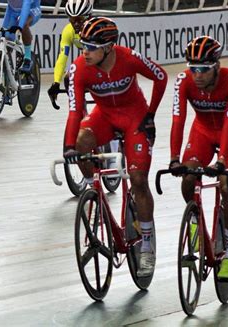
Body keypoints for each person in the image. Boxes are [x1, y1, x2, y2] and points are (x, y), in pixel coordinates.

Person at [63, 16, 168, 277]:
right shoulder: (79, 68)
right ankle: (94, 193)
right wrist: (68, 148)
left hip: (134, 117)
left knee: (138, 179)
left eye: (90, 47)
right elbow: (75, 111)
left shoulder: (129, 57)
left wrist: (151, 115)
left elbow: (161, 77)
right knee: (81, 143)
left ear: (108, 47)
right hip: (105, 115)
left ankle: (146, 244)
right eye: (83, 46)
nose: (84, 52)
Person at [169, 36, 228, 280]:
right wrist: (174, 158)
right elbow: (178, 120)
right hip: (202, 130)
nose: (198, 75)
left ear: (216, 66)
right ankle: (196, 222)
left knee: (227, 186)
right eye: (193, 68)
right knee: (188, 179)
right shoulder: (183, 81)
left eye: (203, 69)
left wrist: (222, 160)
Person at [47, 0, 93, 102]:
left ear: (88, 17)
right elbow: (62, 58)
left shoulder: (96, 28)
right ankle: (77, 109)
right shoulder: (68, 31)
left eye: (79, 19)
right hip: (89, 60)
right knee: (69, 77)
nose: (76, 24)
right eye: (72, 20)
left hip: (103, 64)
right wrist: (56, 83)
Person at [0, 0, 41, 73]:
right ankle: (7, 70)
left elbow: (26, 4)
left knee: (23, 25)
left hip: (32, 8)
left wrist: (20, 26)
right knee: (6, 38)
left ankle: (28, 58)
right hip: (12, 10)